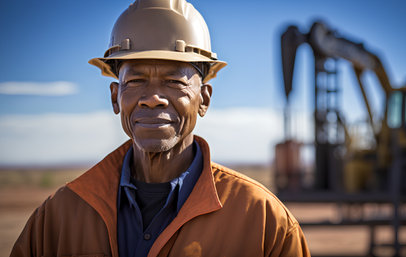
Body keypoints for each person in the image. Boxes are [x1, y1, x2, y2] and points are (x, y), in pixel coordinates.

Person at [10, 0, 310, 256]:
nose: (152, 99)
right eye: (136, 81)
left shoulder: (262, 222)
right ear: (116, 97)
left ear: (203, 100)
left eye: (175, 81)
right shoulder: (59, 218)